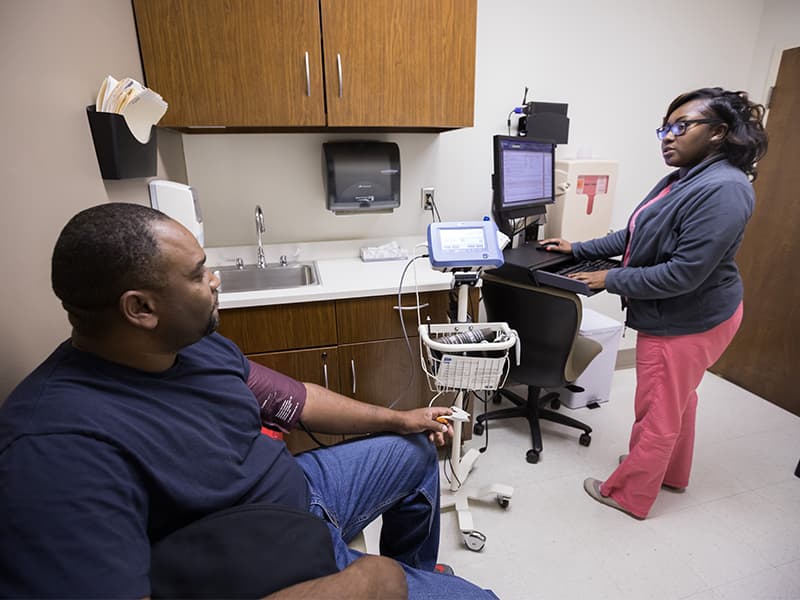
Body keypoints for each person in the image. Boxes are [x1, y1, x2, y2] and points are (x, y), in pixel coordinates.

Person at [0, 202, 499, 599]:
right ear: (141, 308)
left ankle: (415, 574)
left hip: (299, 495)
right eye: (198, 275)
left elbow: (296, 399)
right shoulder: (55, 449)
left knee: (412, 453)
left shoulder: (192, 345)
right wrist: (365, 588)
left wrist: (398, 418)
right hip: (257, 561)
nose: (215, 280)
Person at [541, 87, 768, 520]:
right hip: (689, 312)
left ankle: (629, 493)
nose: (668, 136)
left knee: (657, 411)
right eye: (665, 126)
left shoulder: (723, 189)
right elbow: (636, 232)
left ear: (719, 132)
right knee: (676, 400)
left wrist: (610, 277)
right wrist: (579, 246)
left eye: (682, 126)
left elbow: (684, 273)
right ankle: (670, 474)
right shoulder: (687, 176)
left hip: (687, 319)